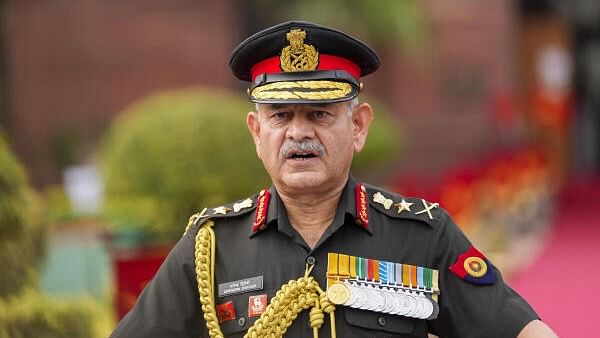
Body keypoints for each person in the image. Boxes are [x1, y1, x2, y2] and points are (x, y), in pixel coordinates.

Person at [111, 21, 557, 338]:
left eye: (320, 115)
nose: (299, 132)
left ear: (359, 126)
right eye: (280, 116)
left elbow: (520, 330)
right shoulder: (211, 249)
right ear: (256, 132)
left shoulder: (421, 236)